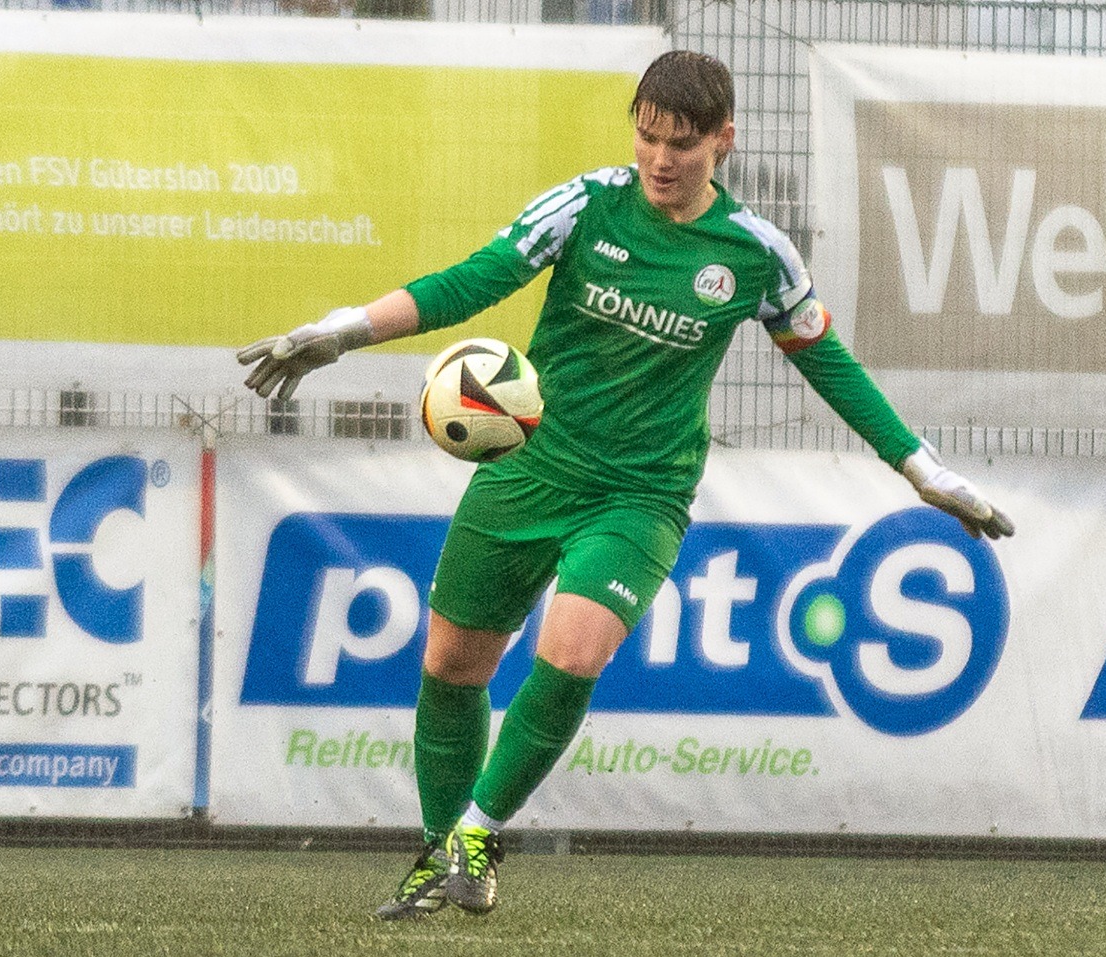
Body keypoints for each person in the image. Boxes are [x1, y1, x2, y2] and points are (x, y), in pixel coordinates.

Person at [237, 50, 1014, 920]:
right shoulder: (587, 205)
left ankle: (478, 836)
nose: (659, 159)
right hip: (529, 468)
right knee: (452, 667)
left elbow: (824, 359)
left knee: (573, 653)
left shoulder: (754, 252)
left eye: (681, 144)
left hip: (641, 495)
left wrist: (918, 465)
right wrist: (343, 332)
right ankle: (438, 854)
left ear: (723, 140)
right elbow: (471, 281)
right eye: (647, 137)